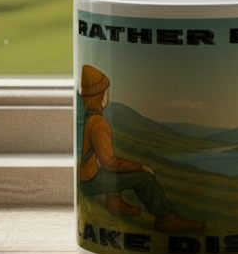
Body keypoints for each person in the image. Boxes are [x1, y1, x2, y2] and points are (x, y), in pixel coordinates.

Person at [78, 64, 204, 233]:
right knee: (144, 179)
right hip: (90, 183)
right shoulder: (99, 123)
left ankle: (114, 202)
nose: (109, 95)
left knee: (116, 170)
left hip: (86, 177)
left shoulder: (88, 118)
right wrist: (141, 167)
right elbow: (109, 163)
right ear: (100, 96)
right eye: (106, 92)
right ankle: (165, 218)